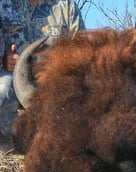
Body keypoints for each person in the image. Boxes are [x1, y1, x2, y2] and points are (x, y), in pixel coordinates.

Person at [0, 0, 85, 154]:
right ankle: (6, 142)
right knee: (3, 89)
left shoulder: (66, 7)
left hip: (55, 81)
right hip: (14, 78)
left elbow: (83, 50)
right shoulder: (4, 4)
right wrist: (4, 61)